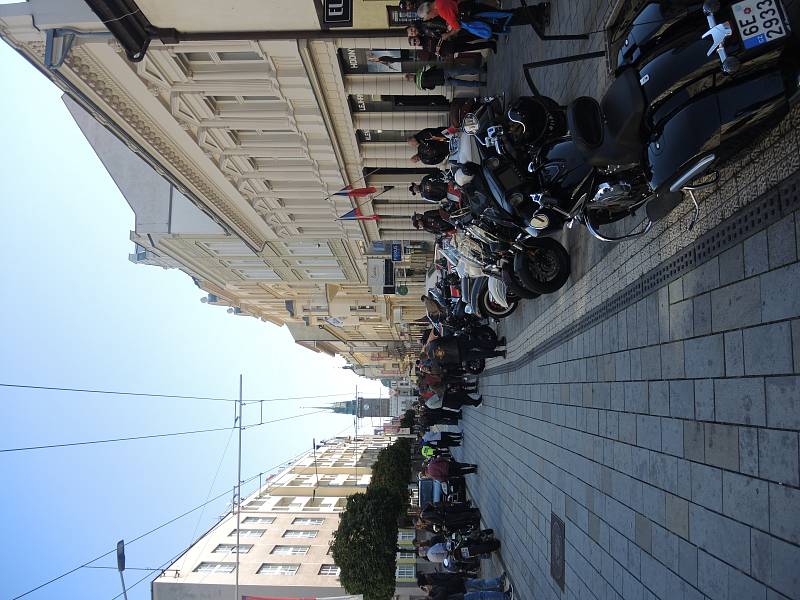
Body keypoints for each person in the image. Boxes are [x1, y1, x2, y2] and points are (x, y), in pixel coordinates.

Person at [407, 65, 485, 90]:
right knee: (464, 71)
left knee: (463, 83)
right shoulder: (420, 72)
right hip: (442, 73)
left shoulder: (420, 86)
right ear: (411, 75)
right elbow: (430, 68)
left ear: (410, 81)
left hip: (443, 82)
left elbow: (432, 87)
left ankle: (481, 84)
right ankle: (482, 70)